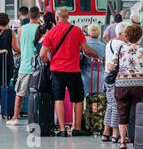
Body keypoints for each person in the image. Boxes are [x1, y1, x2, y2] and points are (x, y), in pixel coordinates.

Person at [40, 9, 99, 137]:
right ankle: (77, 128)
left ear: (57, 17)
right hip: (73, 70)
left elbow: (42, 54)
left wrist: (49, 63)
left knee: (59, 98)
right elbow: (86, 50)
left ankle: (62, 129)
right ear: (68, 17)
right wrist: (97, 55)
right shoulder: (77, 30)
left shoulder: (51, 32)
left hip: (56, 70)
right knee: (77, 99)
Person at [107, 24, 143, 149]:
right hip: (139, 85)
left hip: (122, 85)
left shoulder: (120, 49)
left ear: (126, 36)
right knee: (138, 113)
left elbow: (110, 67)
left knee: (122, 112)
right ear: (140, 36)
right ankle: (137, 140)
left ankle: (123, 141)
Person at [7, 6, 41, 126]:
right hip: (39, 66)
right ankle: (37, 118)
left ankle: (15, 118)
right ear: (39, 16)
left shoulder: (21, 29)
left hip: (25, 65)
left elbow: (20, 46)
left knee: (20, 93)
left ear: (28, 15)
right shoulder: (41, 29)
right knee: (38, 94)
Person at [102, 22, 128, 143]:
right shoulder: (122, 44)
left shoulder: (110, 42)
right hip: (116, 77)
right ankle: (115, 133)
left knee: (110, 104)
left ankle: (106, 131)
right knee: (117, 105)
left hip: (107, 75)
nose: (127, 36)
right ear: (120, 34)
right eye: (126, 34)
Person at [81, 25, 106, 96]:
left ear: (88, 33)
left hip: (86, 75)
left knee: (86, 98)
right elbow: (104, 62)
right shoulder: (103, 46)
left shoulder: (84, 45)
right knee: (98, 99)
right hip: (99, 75)